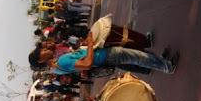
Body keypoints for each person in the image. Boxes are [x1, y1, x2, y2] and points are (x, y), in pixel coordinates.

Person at [28, 32, 179, 74]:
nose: (44, 49)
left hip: (104, 56)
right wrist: (91, 44)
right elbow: (86, 64)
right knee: (138, 57)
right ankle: (167, 67)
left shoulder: (58, 63)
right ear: (41, 61)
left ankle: (162, 62)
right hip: (104, 56)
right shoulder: (61, 62)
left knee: (137, 55)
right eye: (40, 52)